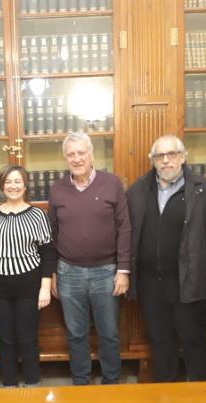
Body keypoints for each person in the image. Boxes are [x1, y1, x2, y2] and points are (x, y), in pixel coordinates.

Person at [126, 135, 206, 382]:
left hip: (189, 279)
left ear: (183, 157)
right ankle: (165, 392)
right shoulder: (138, 190)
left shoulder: (205, 190)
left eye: (172, 154)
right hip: (151, 282)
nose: (166, 160)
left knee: (193, 338)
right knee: (159, 339)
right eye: (159, 156)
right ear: (153, 160)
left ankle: (201, 393)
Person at [48, 131, 131, 385]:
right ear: (65, 159)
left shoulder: (111, 183)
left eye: (81, 152)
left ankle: (111, 381)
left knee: (108, 333)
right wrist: (51, 273)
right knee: (75, 333)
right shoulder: (57, 189)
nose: (76, 158)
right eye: (71, 154)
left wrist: (123, 270)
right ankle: (81, 382)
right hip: (68, 272)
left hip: (106, 271)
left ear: (91, 154)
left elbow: (124, 227)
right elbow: (52, 233)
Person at [0, 165, 55, 387]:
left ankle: (33, 383)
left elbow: (47, 253)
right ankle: (8, 383)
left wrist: (44, 287)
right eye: (8, 181)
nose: (13, 185)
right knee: (5, 339)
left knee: (28, 338)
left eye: (17, 181)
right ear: (2, 186)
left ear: (25, 184)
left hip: (29, 286)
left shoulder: (37, 215)